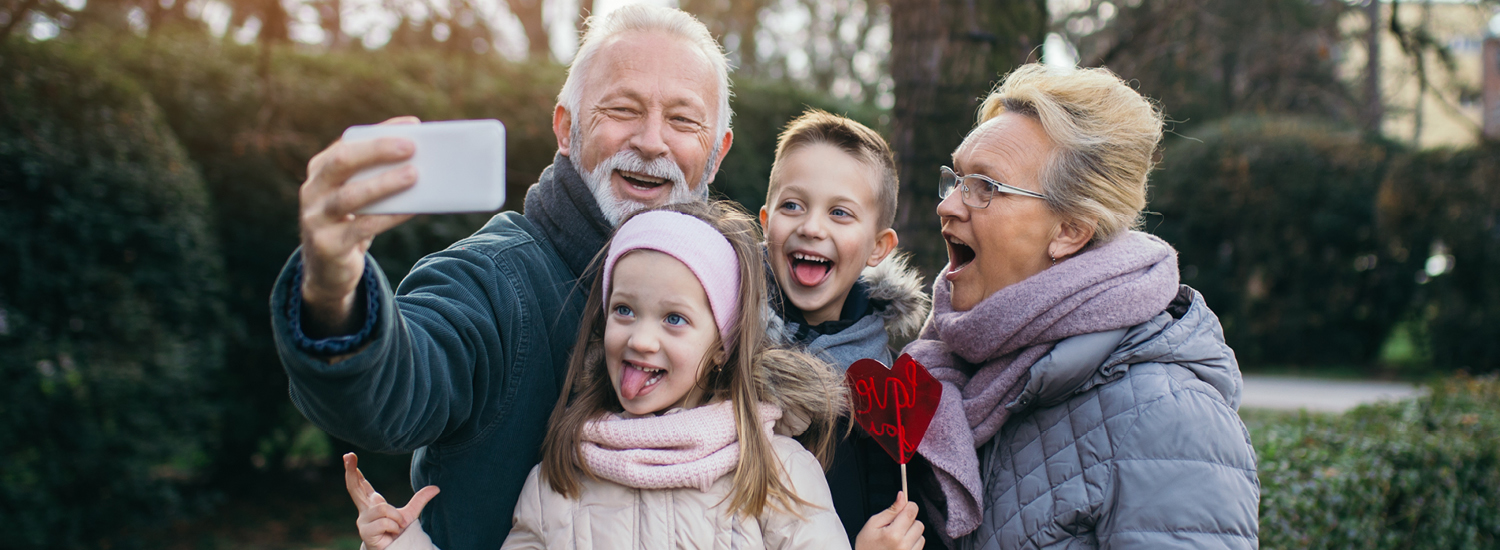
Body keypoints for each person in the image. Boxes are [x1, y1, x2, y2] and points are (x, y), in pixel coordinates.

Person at [267, 6, 734, 549]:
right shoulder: (491, 281)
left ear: (717, 154)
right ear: (566, 128)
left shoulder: (743, 297)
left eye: (683, 119)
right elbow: (392, 390)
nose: (652, 141)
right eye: (623, 109)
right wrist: (331, 290)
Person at [344, 202, 924, 549]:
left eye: (675, 319)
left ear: (721, 344)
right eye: (624, 311)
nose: (641, 338)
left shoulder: (775, 470)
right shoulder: (560, 478)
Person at [907, 64, 1260, 549]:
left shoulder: (1168, 419)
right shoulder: (944, 366)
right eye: (957, 179)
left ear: (1070, 231)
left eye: (986, 187)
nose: (948, 206)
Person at [757, 109, 936, 548]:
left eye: (840, 212)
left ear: (878, 246)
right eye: (792, 205)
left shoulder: (887, 396)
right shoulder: (723, 352)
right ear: (765, 222)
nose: (812, 227)